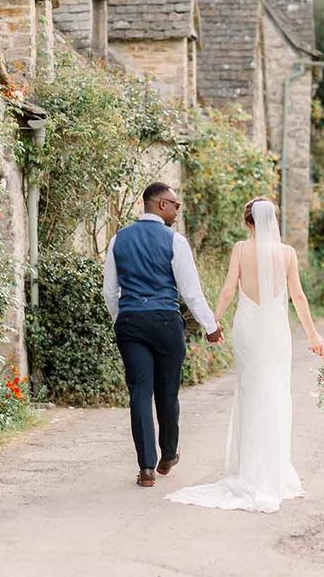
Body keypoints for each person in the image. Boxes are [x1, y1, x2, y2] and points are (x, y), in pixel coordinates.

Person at [165, 197, 324, 512]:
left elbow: (227, 291)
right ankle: (274, 471)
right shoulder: (287, 254)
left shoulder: (241, 249)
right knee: (275, 393)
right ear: (272, 221)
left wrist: (212, 323)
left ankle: (249, 471)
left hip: (248, 329)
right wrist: (312, 334)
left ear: (247, 222)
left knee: (251, 394)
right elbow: (298, 296)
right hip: (276, 333)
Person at [103, 182, 223, 488]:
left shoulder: (118, 239)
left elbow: (109, 292)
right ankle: (168, 454)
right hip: (166, 322)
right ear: (160, 205)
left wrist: (122, 318)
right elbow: (191, 292)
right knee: (167, 391)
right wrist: (210, 327)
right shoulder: (175, 241)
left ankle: (146, 468)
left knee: (139, 393)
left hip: (131, 322)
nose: (177, 210)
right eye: (175, 205)